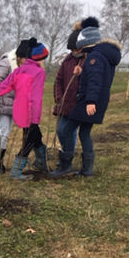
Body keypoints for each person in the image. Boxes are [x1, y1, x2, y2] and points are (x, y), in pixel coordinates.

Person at [50, 17, 122, 178]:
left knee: (67, 130)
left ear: (85, 43)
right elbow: (97, 77)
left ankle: (65, 166)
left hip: (88, 103)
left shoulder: (94, 58)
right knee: (84, 133)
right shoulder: (104, 56)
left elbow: (95, 82)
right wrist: (82, 73)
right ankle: (87, 170)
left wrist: (90, 101)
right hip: (100, 102)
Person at [0, 38, 49, 180]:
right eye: (44, 59)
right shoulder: (39, 73)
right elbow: (35, 99)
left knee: (36, 138)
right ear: (40, 59)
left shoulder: (19, 71)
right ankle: (17, 172)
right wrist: (35, 120)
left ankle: (42, 163)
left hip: (19, 113)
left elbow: (1, 87)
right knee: (28, 143)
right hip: (30, 115)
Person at [0, 39, 29, 173]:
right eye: (26, 59)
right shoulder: (6, 62)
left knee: (6, 133)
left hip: (12, 106)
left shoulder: (23, 67)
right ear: (20, 57)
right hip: (1, 103)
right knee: (3, 132)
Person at [49, 23, 85, 175]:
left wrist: (81, 74)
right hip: (64, 104)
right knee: (60, 131)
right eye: (72, 49)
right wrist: (59, 97)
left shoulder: (87, 61)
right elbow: (58, 80)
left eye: (77, 48)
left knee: (68, 131)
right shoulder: (67, 61)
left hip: (78, 105)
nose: (75, 52)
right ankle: (66, 158)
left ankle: (66, 163)